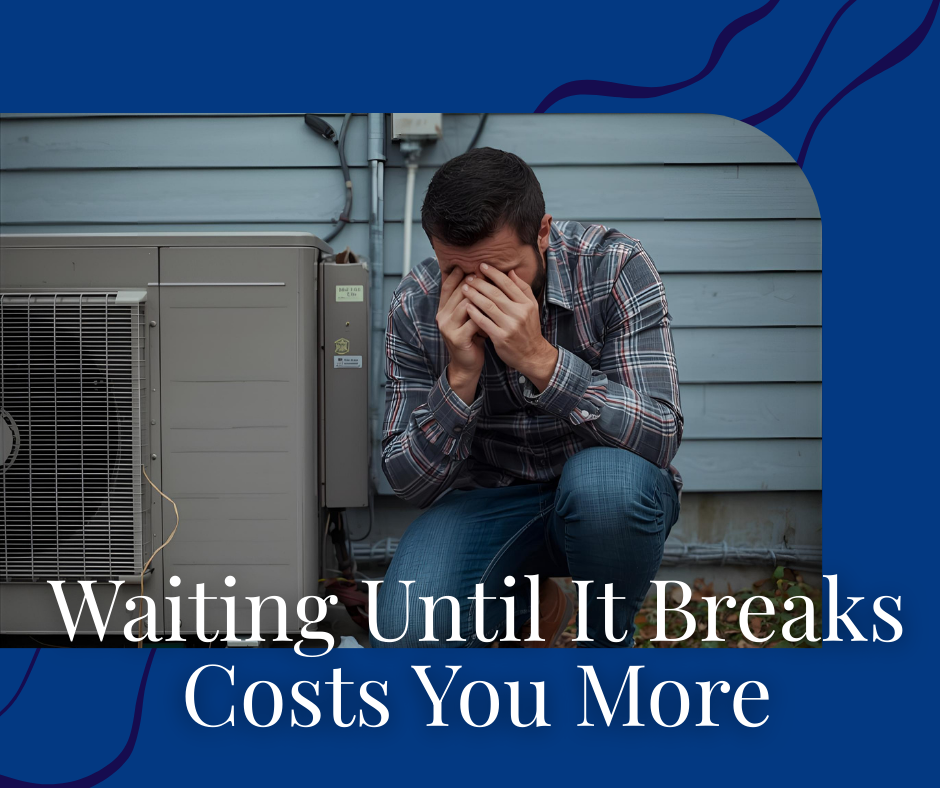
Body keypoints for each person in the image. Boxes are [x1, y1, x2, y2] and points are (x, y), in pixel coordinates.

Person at [372, 147, 682, 648]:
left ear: (542, 232)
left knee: (606, 489)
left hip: (603, 493)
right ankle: (530, 609)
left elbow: (660, 433)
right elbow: (409, 484)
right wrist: (459, 378)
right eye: (457, 273)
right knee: (406, 635)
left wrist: (541, 360)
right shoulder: (416, 303)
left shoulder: (613, 266)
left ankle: (604, 649)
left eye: (502, 271)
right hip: (487, 501)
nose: (479, 292)